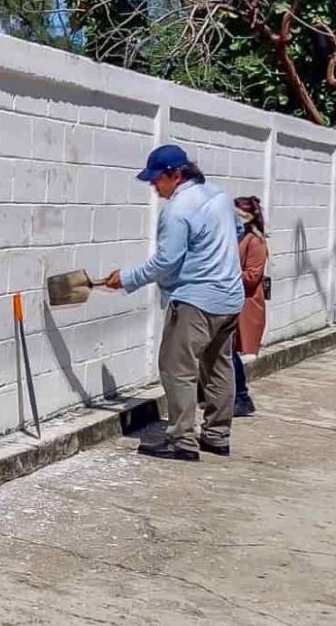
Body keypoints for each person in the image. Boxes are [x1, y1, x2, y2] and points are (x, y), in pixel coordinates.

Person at [106, 144, 245, 461]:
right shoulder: (219, 196)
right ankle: (217, 436)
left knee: (176, 369)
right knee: (219, 366)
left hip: (195, 301)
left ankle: (182, 441)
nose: (154, 187)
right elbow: (237, 229)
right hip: (230, 298)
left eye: (157, 180)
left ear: (176, 174)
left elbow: (165, 263)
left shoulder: (177, 210)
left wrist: (126, 278)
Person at [232, 196, 268, 417]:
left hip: (244, 303)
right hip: (231, 300)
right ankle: (237, 396)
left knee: (227, 352)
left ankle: (242, 397)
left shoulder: (255, 240)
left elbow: (253, 275)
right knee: (224, 351)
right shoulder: (236, 236)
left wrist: (224, 275)